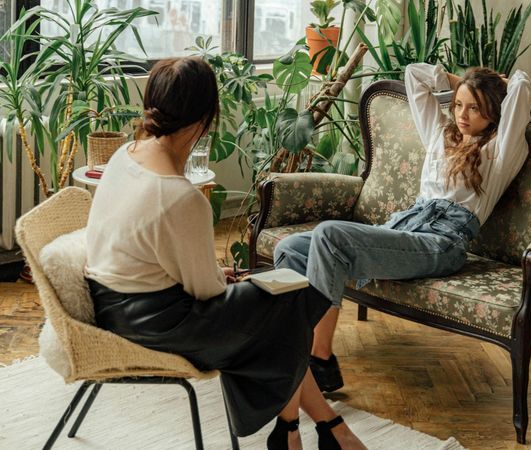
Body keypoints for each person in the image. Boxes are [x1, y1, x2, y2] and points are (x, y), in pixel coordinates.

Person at [85, 56, 367, 450]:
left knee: (282, 305)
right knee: (287, 307)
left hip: (110, 306)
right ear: (206, 118)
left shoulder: (123, 155)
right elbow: (207, 293)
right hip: (156, 324)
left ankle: (319, 430)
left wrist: (223, 278)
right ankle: (310, 431)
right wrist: (225, 278)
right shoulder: (179, 196)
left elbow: (151, 255)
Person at [274, 63, 531, 393]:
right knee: (290, 249)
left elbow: (523, 88)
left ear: (494, 112)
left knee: (329, 235)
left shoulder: (500, 151)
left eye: (474, 108)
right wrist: (464, 84)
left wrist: (490, 84)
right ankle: (293, 349)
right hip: (405, 228)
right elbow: (415, 74)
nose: (462, 115)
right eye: (458, 105)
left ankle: (320, 362)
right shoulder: (441, 135)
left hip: (442, 242)